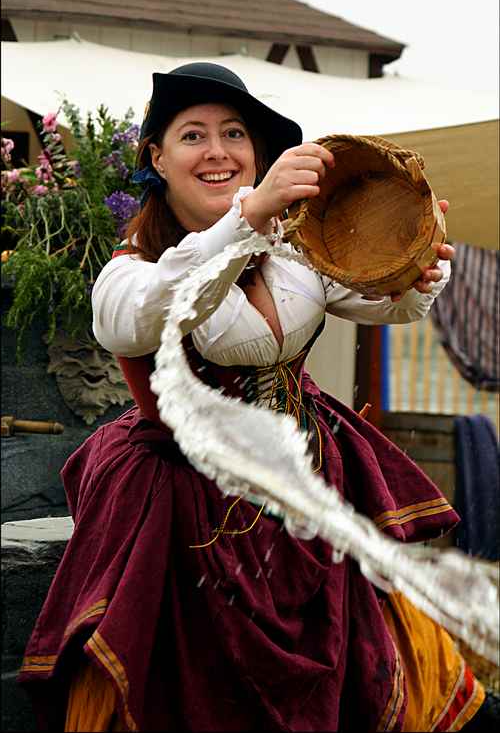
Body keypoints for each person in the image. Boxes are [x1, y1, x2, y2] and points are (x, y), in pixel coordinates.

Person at [18, 63, 488, 732]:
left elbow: (388, 303)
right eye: (193, 135)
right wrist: (249, 215)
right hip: (184, 501)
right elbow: (145, 314)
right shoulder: (133, 271)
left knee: (366, 655)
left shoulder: (300, 249)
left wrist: (417, 270)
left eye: (234, 133)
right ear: (157, 156)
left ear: (258, 154)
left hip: (306, 479)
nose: (217, 151)